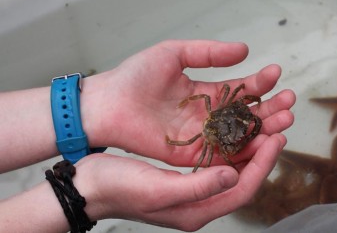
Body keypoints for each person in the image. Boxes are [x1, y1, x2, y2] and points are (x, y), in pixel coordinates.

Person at [0, 40, 296, 232]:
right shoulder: (208, 137)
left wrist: (93, 105)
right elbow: (226, 146)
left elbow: (241, 98)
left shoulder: (222, 108)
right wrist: (92, 194)